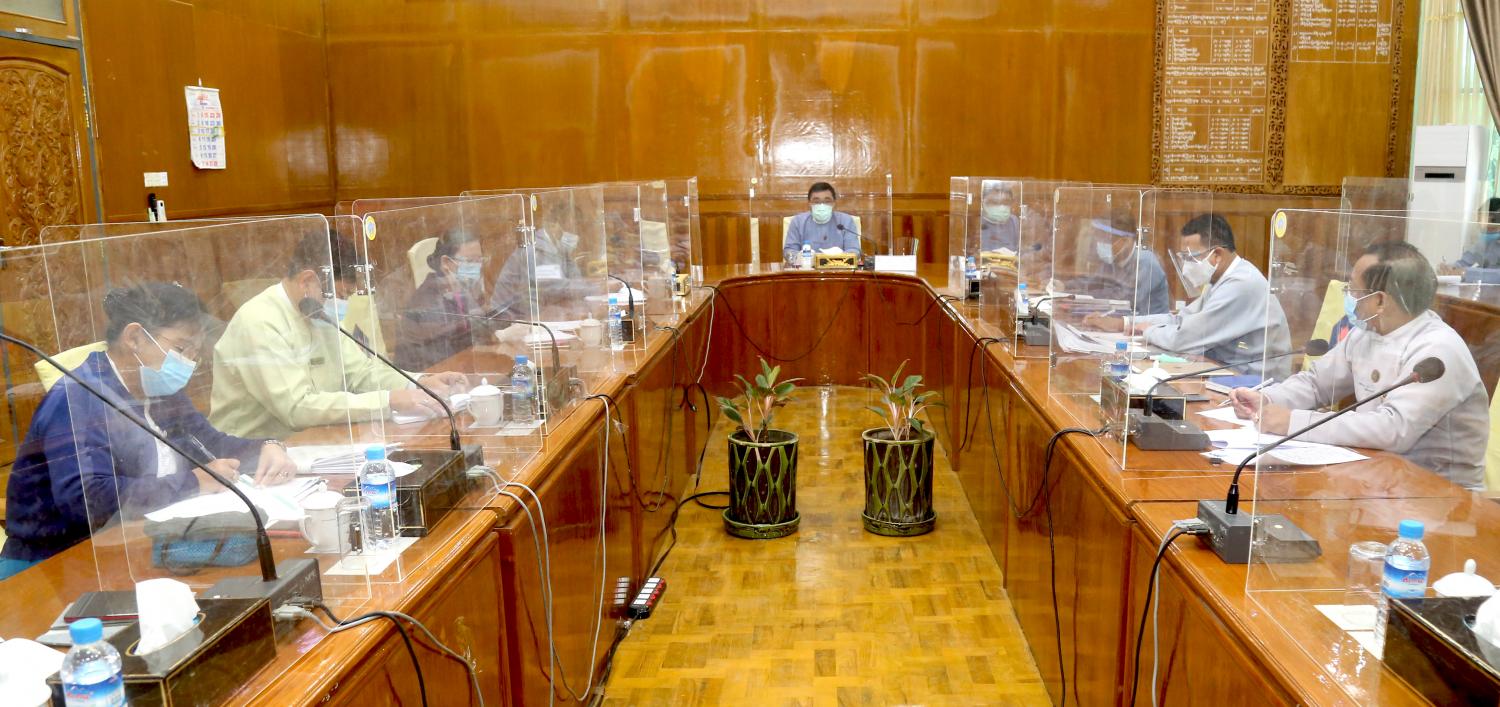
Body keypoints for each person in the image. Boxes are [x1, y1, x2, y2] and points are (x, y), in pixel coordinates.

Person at [0, 284, 299, 579]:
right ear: (134, 338)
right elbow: (87, 499)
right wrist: (193, 482)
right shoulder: (78, 399)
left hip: (137, 545)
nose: (189, 363)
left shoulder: (158, 390)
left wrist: (267, 447)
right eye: (181, 349)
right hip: (54, 564)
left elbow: (208, 442)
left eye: (194, 353)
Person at [1229, 241, 1489, 489]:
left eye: (1354, 290)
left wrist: (1293, 422)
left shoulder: (1438, 350)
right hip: (1378, 473)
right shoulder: (1367, 332)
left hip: (1438, 493)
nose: (1349, 297)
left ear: (1380, 301)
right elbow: (1317, 383)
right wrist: (1267, 399)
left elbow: (1393, 429)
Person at [210, 229, 468, 440]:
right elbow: (297, 409)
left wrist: (419, 383)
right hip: (254, 456)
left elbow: (360, 374)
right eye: (341, 294)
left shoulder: (317, 312)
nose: (343, 304)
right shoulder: (260, 322)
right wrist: (388, 401)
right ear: (307, 281)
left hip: (316, 441)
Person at [1089, 215, 1291, 378]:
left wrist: (1148, 330)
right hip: (1227, 370)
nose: (1186, 266)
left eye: (1190, 257)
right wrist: (1125, 323)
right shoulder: (1220, 279)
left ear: (1217, 254)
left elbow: (1185, 338)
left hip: (1253, 383)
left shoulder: (1241, 284)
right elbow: (1181, 319)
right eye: (1182, 257)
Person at [395, 229, 500, 371]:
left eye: (479, 260)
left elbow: (478, 327)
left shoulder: (459, 291)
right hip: (430, 376)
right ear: (446, 262)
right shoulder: (429, 302)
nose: (477, 267)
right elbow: (448, 353)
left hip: (459, 370)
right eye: (470, 261)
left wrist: (500, 334)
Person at [1082, 209, 1171, 316]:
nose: (1100, 243)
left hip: (1149, 324)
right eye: (1099, 238)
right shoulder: (1111, 261)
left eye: (1106, 239)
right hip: (1121, 322)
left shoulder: (1146, 263)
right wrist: (1066, 288)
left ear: (1126, 240)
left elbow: (1124, 300)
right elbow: (1090, 286)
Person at [781, 182, 861, 261]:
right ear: (809, 203)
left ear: (834, 203)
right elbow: (789, 251)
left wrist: (837, 258)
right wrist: (803, 257)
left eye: (827, 201)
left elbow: (854, 251)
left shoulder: (846, 221)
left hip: (838, 267)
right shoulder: (798, 221)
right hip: (806, 267)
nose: (822, 205)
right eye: (816, 202)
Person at [978, 180, 1020, 253]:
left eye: (1006, 202)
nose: (1001, 207)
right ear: (983, 202)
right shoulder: (976, 222)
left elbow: (1021, 250)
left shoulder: (1014, 221)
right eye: (995, 202)